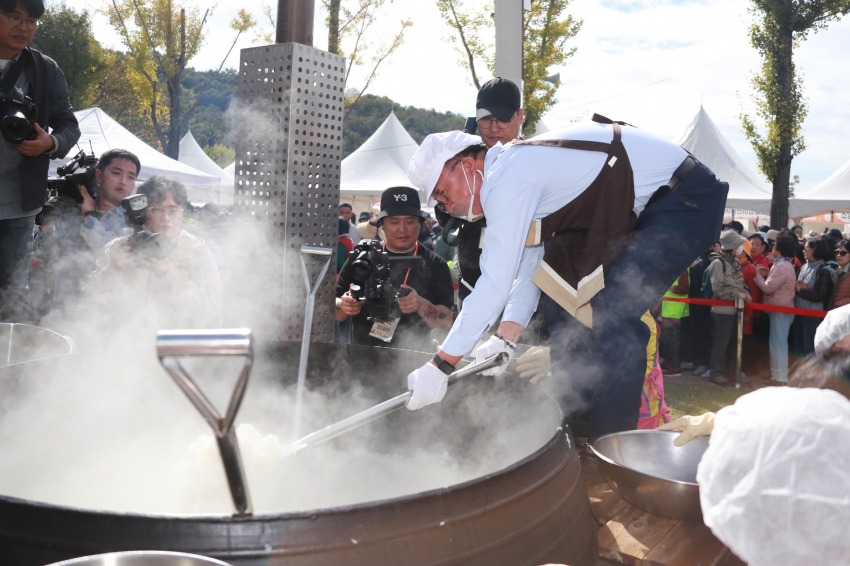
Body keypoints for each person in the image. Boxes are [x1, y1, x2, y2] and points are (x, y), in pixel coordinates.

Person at [403, 114, 728, 440]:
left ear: (466, 167)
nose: (448, 205)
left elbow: (493, 284)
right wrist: (506, 336)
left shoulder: (508, 175)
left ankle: (613, 444)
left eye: (444, 193)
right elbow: (532, 266)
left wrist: (440, 365)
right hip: (658, 203)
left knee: (613, 315)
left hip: (684, 201)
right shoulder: (516, 167)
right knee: (562, 294)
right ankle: (581, 428)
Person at [0, 0, 80, 321]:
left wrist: (50, 142)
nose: (24, 27)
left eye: (32, 21)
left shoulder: (45, 70)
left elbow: (69, 126)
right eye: (14, 17)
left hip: (20, 203)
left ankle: (8, 367)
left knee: (14, 295)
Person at [82, 176, 222, 346]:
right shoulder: (119, 248)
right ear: (141, 211)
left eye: (173, 210)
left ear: (182, 212)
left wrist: (170, 275)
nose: (166, 218)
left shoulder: (195, 250)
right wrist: (112, 271)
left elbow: (210, 309)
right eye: (156, 210)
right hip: (123, 356)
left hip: (175, 355)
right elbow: (89, 309)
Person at [434, 77, 524, 304]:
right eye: (486, 120)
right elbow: (443, 214)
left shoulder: (530, 162)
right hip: (471, 282)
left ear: (519, 117)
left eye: (502, 119)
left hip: (520, 286)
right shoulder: (461, 157)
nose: (494, 128)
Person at [335, 187, 454, 350]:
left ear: (420, 225)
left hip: (412, 361)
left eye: (410, 221)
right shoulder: (362, 259)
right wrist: (344, 304)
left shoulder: (435, 264)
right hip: (361, 359)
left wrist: (420, 304)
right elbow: (334, 310)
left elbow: (445, 322)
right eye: (394, 222)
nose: (402, 229)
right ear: (382, 225)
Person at [703, 229, 751, 385]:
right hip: (722, 309)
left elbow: (738, 282)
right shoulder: (718, 263)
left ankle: (730, 373)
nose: (739, 248)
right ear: (732, 246)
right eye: (737, 245)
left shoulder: (733, 262)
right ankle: (716, 373)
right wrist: (738, 294)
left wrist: (745, 293)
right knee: (720, 344)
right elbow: (718, 288)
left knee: (731, 344)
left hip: (735, 309)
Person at [753, 233, 797, 383]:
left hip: (780, 310)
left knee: (778, 345)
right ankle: (777, 376)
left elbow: (768, 288)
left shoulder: (782, 265)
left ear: (780, 248)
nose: (772, 247)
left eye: (775, 245)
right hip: (781, 309)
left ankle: (779, 378)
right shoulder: (784, 264)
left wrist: (758, 275)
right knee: (777, 344)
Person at [793, 237, 832, 355]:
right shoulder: (803, 266)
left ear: (814, 249)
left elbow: (819, 295)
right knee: (797, 347)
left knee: (809, 348)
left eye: (806, 248)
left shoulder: (823, 270)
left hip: (812, 315)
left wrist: (800, 291)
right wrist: (798, 287)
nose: (803, 251)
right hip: (797, 312)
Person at [659, 270, 689, 376]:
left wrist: (670, 287)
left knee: (671, 342)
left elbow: (684, 289)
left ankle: (674, 367)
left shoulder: (682, 270)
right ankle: (670, 365)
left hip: (673, 311)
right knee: (667, 341)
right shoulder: (679, 269)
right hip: (668, 310)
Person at [829, 239, 850, 310]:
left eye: (843, 253)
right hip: (835, 312)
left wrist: (838, 304)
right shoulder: (838, 270)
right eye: (837, 252)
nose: (838, 255)